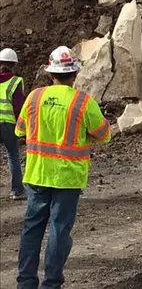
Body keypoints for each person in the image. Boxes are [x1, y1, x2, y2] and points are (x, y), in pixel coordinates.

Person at [15, 46, 111, 289]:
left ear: (51, 73)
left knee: (32, 229)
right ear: (75, 74)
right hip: (68, 178)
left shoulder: (34, 97)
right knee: (59, 230)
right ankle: (51, 283)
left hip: (37, 174)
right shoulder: (82, 101)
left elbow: (20, 130)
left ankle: (26, 282)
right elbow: (104, 135)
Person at [0, 48, 26, 200]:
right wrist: (22, 127)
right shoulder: (16, 81)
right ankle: (17, 191)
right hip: (9, 124)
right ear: (14, 65)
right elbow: (18, 107)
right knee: (12, 156)